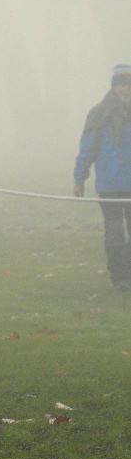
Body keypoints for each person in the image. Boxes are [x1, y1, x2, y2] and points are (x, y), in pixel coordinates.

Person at [74, 64, 131, 290]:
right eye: (121, 84)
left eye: (128, 84)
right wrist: (80, 178)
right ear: (114, 86)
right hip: (110, 186)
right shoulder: (99, 114)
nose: (125, 88)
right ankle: (119, 277)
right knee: (114, 233)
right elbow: (87, 148)